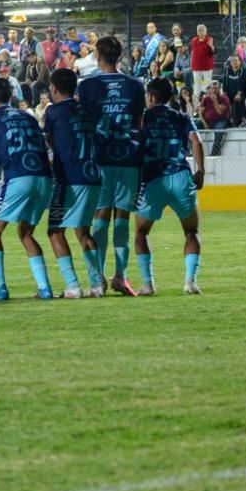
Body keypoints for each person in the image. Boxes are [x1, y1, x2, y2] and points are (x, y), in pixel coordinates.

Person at [77, 36, 145, 296]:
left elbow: (82, 121)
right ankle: (121, 276)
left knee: (101, 218)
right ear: (120, 56)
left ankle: (97, 280)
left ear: (96, 55)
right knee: (123, 220)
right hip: (128, 158)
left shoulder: (88, 85)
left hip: (100, 159)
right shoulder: (134, 85)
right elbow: (139, 124)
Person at [0, 79, 54, 301]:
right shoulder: (28, 116)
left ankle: (0, 289)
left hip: (18, 177)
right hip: (44, 178)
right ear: (10, 97)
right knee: (26, 233)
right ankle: (45, 288)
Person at [132, 77, 205, 295]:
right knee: (191, 230)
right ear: (171, 97)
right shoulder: (181, 117)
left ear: (151, 97)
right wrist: (200, 172)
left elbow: (136, 146)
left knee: (141, 232)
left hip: (153, 178)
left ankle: (148, 284)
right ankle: (190, 281)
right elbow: (196, 141)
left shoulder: (143, 119)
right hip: (181, 176)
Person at [42, 69, 103, 299]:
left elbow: (50, 139)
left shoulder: (54, 111)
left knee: (55, 231)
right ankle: (96, 285)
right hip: (93, 176)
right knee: (83, 231)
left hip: (70, 177)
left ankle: (72, 286)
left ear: (55, 88)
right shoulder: (86, 110)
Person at [199, 80, 232, 155]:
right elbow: (200, 113)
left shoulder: (224, 98)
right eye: (212, 88)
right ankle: (192, 150)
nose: (214, 90)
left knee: (219, 131)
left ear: (220, 89)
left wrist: (215, 101)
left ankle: (214, 153)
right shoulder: (206, 98)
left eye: (216, 88)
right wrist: (205, 123)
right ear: (210, 89)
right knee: (191, 126)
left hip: (221, 120)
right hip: (207, 121)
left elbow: (220, 112)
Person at [189, 25, 216, 98]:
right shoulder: (193, 40)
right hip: (196, 66)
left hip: (207, 66)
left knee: (208, 83)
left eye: (202, 30)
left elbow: (214, 51)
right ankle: (196, 98)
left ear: (206, 32)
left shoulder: (210, 39)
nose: (200, 32)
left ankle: (209, 97)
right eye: (199, 30)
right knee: (196, 83)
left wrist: (211, 46)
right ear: (197, 32)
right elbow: (192, 52)